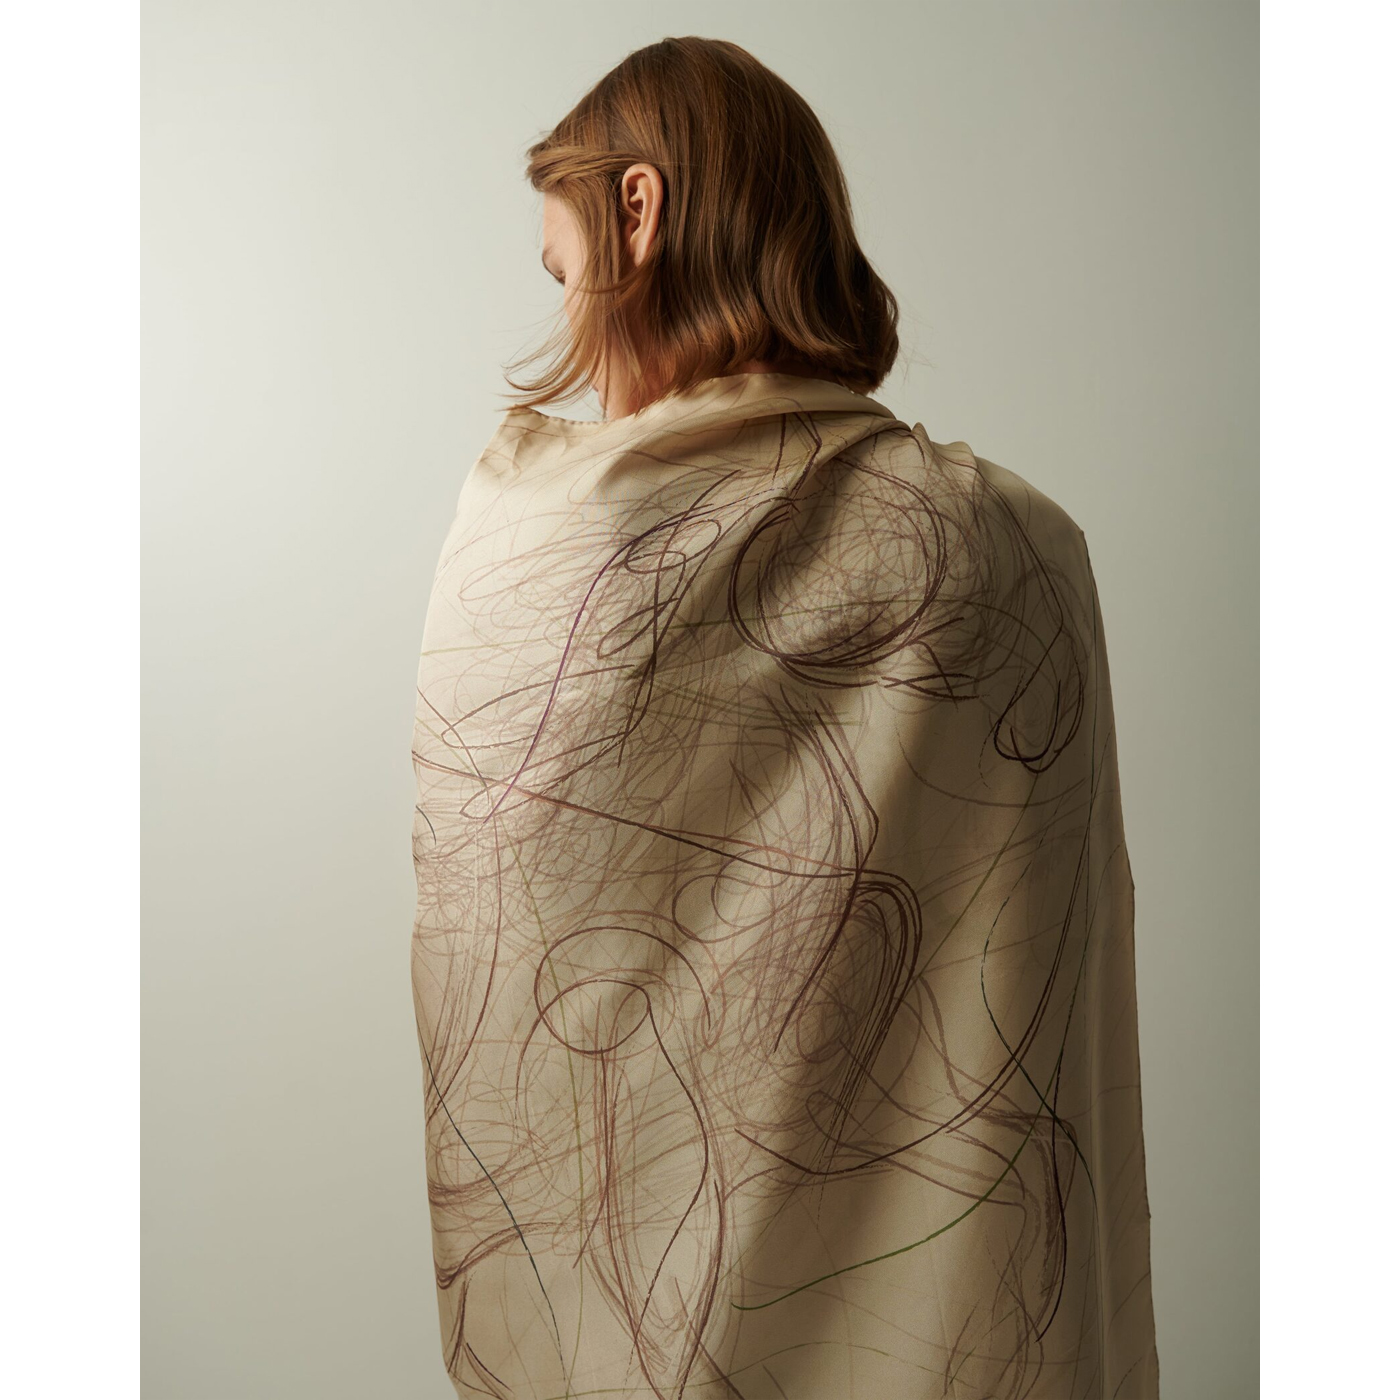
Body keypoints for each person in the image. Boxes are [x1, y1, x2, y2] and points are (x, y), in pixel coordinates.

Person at [409, 35, 1159, 1400]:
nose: (577, 349)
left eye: (564, 275)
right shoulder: (1020, 546)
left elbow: (513, 955)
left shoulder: (549, 547)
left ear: (638, 211)